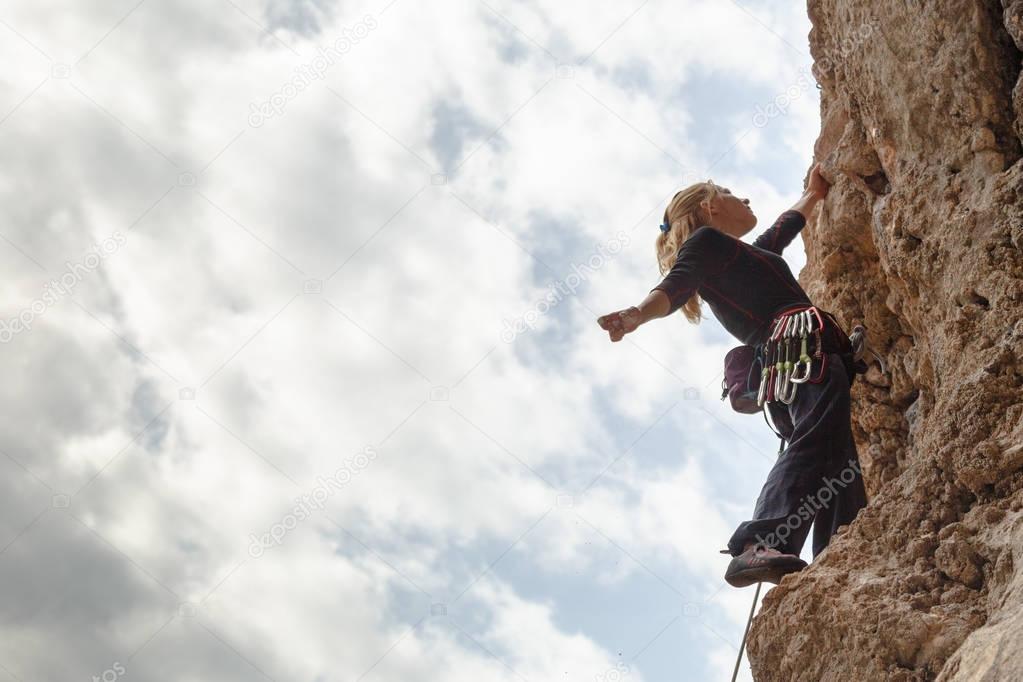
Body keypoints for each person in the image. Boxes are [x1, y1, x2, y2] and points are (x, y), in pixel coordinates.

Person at [596, 163, 868, 587]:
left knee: (836, 461)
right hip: (799, 356)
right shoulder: (706, 245)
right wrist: (636, 315)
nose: (743, 199)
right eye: (729, 192)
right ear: (709, 207)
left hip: (802, 363)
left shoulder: (744, 257)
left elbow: (781, 231)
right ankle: (758, 543)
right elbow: (676, 284)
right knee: (816, 442)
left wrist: (813, 196)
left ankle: (843, 551)